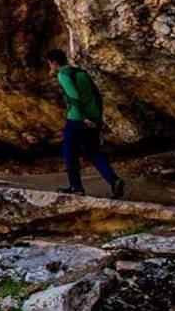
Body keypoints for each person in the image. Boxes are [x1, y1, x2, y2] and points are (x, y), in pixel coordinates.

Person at [46, 49, 125, 199]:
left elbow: (74, 97)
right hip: (94, 117)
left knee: (68, 152)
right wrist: (97, 118)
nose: (50, 67)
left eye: (50, 64)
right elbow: (97, 95)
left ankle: (76, 187)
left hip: (77, 119)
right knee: (93, 151)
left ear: (54, 63)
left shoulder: (63, 74)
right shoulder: (81, 73)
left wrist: (82, 117)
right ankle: (114, 180)